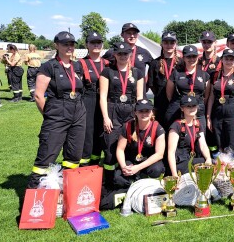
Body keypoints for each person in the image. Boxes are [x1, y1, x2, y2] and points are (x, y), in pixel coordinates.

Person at [27, 32, 86, 188]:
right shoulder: (49, 66)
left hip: (78, 113)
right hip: (57, 112)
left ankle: (67, 192)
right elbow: (39, 96)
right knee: (47, 156)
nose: (69, 47)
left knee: (73, 156)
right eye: (65, 44)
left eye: (72, 44)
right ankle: (34, 199)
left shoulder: (77, 66)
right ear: (56, 45)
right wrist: (50, 116)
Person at [99, 42, 145, 186]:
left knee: (131, 145)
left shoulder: (138, 72)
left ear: (130, 54)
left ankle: (129, 178)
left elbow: (139, 97)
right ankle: (110, 180)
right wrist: (106, 117)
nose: (123, 56)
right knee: (111, 147)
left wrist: (139, 118)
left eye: (125, 53)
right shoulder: (107, 72)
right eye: (120, 53)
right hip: (113, 110)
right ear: (115, 55)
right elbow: (103, 96)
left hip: (131, 111)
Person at [206, 48, 234, 157]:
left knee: (233, 144)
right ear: (222, 60)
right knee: (219, 142)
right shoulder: (215, 75)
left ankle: (233, 169)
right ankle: (221, 170)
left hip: (233, 114)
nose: (229, 61)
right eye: (226, 59)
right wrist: (208, 117)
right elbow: (211, 97)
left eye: (232, 59)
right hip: (217, 113)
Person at [114, 99, 166, 187]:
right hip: (132, 160)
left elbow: (159, 154)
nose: (144, 114)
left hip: (149, 162)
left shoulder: (158, 127)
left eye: (147, 111)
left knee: (157, 169)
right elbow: (120, 149)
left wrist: (138, 167)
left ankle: (150, 187)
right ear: (135, 112)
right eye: (141, 111)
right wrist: (123, 166)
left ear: (152, 112)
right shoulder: (127, 126)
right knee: (118, 179)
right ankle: (133, 186)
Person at [78, 31, 110, 166]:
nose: (96, 45)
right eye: (93, 42)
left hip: (106, 100)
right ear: (87, 44)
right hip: (88, 100)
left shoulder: (108, 63)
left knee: (102, 134)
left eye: (99, 42)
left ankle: (96, 165)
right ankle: (85, 165)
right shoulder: (80, 64)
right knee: (88, 134)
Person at [165, 45, 210, 129]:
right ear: (184, 58)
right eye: (188, 56)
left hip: (197, 110)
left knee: (199, 137)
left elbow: (206, 96)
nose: (192, 59)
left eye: (194, 56)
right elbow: (169, 94)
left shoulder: (204, 75)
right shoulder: (176, 73)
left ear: (197, 57)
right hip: (178, 110)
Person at [167, 95, 212, 175]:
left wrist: (208, 159)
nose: (191, 108)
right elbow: (171, 152)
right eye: (188, 106)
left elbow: (203, 145)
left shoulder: (197, 124)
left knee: (211, 164)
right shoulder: (176, 126)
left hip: (193, 160)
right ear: (182, 108)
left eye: (193, 106)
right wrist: (174, 175)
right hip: (181, 163)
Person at [102, 23, 152, 93]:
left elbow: (154, 67)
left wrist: (147, 82)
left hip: (139, 92)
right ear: (122, 35)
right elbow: (101, 65)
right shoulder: (112, 52)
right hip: (118, 92)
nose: (132, 36)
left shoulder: (144, 52)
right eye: (129, 33)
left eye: (134, 33)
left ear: (137, 35)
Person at [147, 31, 180, 126]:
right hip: (160, 105)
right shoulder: (154, 63)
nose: (169, 45)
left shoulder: (181, 63)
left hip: (177, 105)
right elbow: (152, 85)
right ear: (161, 44)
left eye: (172, 42)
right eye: (166, 42)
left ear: (176, 44)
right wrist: (160, 95)